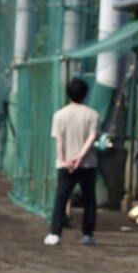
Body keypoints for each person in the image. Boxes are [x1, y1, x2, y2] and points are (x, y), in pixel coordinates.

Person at [44, 77, 100, 246]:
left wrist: (63, 160)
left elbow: (59, 140)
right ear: (85, 94)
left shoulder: (59, 115)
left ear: (68, 94)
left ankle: (55, 233)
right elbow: (92, 137)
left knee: (61, 198)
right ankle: (87, 234)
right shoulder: (93, 115)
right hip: (88, 164)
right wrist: (80, 157)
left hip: (65, 164)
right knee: (89, 199)